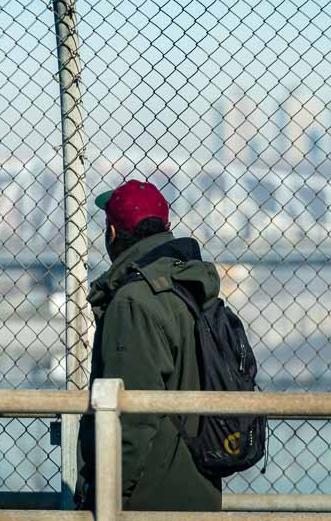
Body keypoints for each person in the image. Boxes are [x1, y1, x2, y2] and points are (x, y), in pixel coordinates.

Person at [75, 180, 222, 512]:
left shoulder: (133, 302)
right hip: (198, 489)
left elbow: (131, 419)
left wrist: (107, 495)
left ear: (112, 233)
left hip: (148, 500)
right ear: (166, 228)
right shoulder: (190, 286)